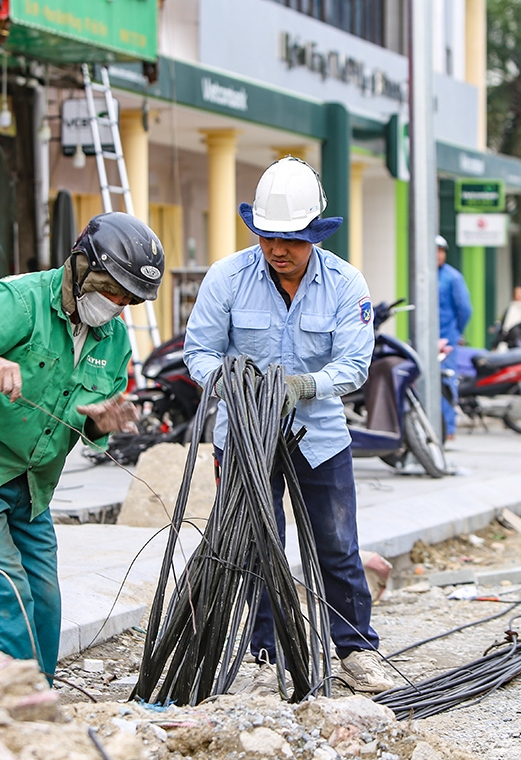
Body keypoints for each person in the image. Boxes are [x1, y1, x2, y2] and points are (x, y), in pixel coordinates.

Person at [0, 212, 165, 678]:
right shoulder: (21, 300)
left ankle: (38, 698)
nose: (116, 305)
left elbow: (91, 420)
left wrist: (101, 423)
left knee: (45, 595)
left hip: (31, 484)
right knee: (8, 588)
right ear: (80, 266)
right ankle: (13, 705)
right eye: (110, 290)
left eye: (127, 299)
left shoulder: (114, 342)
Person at [183, 157, 394, 694]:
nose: (278, 250)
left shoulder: (347, 285)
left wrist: (302, 386)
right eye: (268, 237)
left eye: (293, 240)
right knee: (256, 543)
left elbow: (353, 366)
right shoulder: (226, 278)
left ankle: (356, 650)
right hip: (244, 440)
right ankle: (263, 651)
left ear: (315, 235)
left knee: (336, 545)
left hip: (319, 439)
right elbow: (199, 353)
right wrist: (237, 384)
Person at [437, 235, 473, 440]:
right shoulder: (422, 274)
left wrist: (456, 332)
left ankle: (449, 427)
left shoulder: (452, 277)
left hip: (447, 337)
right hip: (426, 338)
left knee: (447, 380)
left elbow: (465, 309)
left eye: (441, 251)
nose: (437, 255)